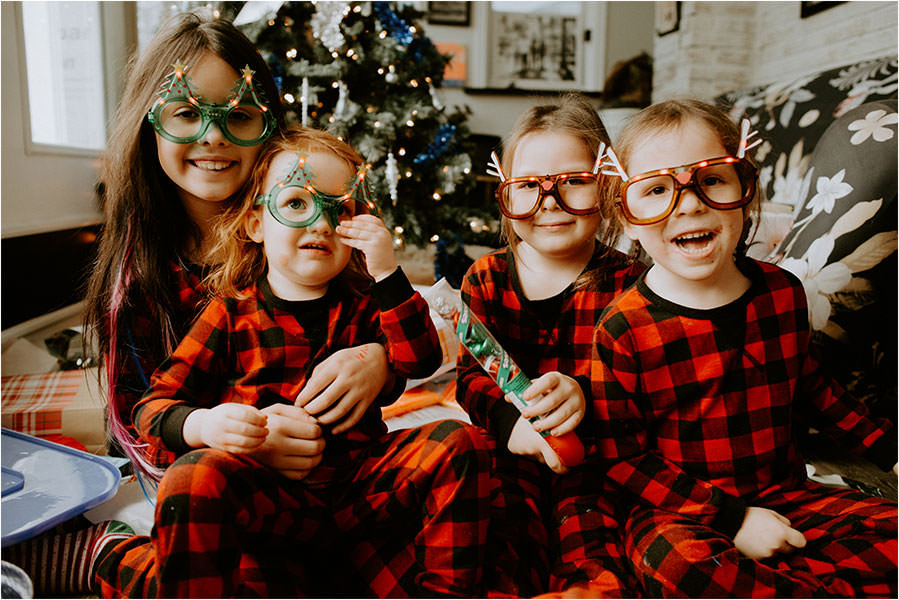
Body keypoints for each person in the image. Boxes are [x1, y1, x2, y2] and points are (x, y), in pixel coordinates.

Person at [5, 11, 399, 596]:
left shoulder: (316, 232)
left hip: (332, 481)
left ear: (267, 130)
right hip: (202, 477)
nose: (213, 136)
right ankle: (106, 557)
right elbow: (136, 420)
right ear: (151, 126)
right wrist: (227, 439)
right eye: (187, 113)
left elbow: (406, 325)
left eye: (238, 115)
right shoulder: (139, 274)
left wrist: (379, 359)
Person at [98, 125, 492, 598]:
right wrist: (205, 425)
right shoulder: (229, 312)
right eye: (297, 204)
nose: (321, 223)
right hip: (269, 510)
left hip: (360, 493)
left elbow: (422, 358)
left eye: (338, 209)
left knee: (460, 440)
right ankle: (110, 557)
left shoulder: (365, 301)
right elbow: (151, 407)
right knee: (191, 482)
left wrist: (387, 272)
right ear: (255, 224)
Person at [591, 98, 898, 597]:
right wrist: (733, 520)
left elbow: (815, 390)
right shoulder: (623, 327)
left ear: (745, 189)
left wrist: (889, 450)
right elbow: (622, 458)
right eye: (656, 190)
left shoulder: (781, 291)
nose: (689, 204)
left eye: (711, 179)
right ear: (625, 217)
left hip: (787, 494)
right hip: (679, 513)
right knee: (676, 565)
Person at [455, 93, 646, 597]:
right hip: (511, 453)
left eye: (574, 184)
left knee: (596, 556)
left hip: (598, 462)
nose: (549, 204)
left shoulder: (632, 282)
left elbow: (647, 384)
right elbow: (470, 379)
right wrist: (509, 425)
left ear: (605, 188)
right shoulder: (487, 277)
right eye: (528, 187)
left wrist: (586, 394)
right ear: (506, 196)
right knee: (497, 543)